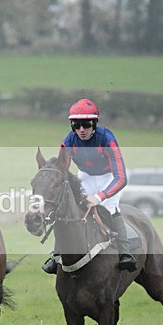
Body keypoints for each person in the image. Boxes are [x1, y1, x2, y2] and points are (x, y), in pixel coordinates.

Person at [42, 98, 137, 274]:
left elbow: (121, 177)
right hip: (85, 176)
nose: (81, 130)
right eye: (76, 126)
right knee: (70, 207)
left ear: (94, 123)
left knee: (109, 207)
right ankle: (57, 255)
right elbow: (62, 171)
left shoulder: (107, 138)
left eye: (86, 125)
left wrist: (99, 196)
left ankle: (125, 253)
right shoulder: (68, 142)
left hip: (109, 177)